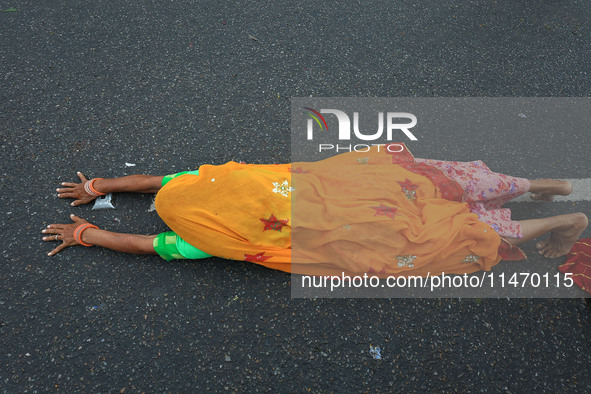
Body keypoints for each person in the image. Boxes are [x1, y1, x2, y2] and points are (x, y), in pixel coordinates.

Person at [42, 144, 588, 278]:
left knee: (456, 232)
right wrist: (99, 185)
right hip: (365, 186)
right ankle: (545, 185)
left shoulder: (204, 241)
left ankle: (557, 221)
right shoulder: (212, 182)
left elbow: (140, 244)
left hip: (364, 229)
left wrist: (86, 233)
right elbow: (159, 182)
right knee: (444, 182)